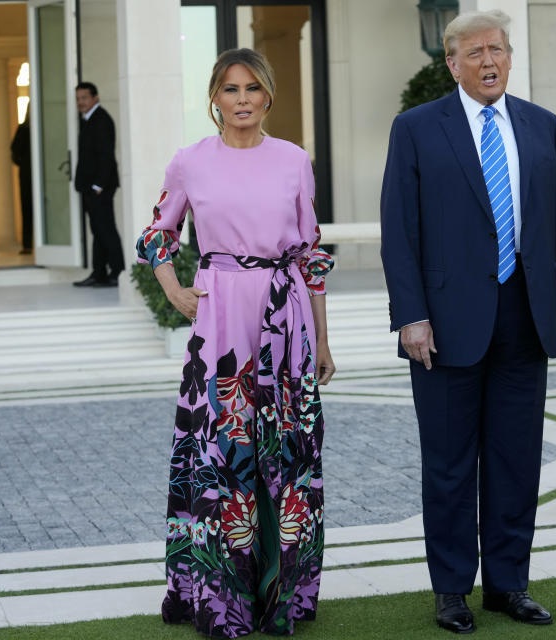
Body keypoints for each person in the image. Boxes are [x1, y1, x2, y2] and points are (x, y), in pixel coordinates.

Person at [380, 10, 556, 634]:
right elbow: (399, 230)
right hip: (443, 327)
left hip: (527, 319)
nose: (489, 61)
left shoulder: (542, 126)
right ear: (451, 62)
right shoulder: (417, 128)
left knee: (515, 459)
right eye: (474, 53)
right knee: (448, 464)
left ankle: (507, 584)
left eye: (497, 50)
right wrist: (410, 316)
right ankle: (450, 592)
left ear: (510, 56)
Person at [136, 48, 336, 637]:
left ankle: (283, 595)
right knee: (222, 454)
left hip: (285, 315)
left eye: (252, 88)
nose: (242, 99)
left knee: (286, 456)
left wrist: (323, 339)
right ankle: (221, 595)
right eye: (229, 89)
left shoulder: (294, 161)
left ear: (268, 95)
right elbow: (157, 233)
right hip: (221, 318)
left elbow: (310, 253)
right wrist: (174, 290)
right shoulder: (190, 162)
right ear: (214, 99)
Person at [73, 81, 124, 286]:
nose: (80, 102)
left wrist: (98, 186)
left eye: (84, 98)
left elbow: (106, 156)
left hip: (99, 188)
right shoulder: (88, 119)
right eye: (78, 99)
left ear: (95, 98)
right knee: (98, 229)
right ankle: (99, 272)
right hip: (92, 187)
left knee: (106, 229)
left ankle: (118, 272)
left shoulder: (101, 120)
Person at [10, 115, 33, 254]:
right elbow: (14, 152)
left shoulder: (25, 128)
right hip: (27, 175)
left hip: (30, 175)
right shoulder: (23, 129)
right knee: (27, 208)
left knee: (29, 208)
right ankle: (27, 244)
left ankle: (28, 244)